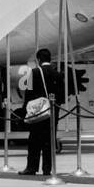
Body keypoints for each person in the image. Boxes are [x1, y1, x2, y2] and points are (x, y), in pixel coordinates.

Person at [20, 48, 64, 176]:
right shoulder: (58, 74)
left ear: (38, 60)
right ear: (49, 59)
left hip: (37, 112)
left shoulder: (33, 73)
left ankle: (31, 167)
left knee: (34, 140)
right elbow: (61, 96)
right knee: (49, 141)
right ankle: (47, 169)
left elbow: (28, 95)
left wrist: (25, 111)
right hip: (52, 112)